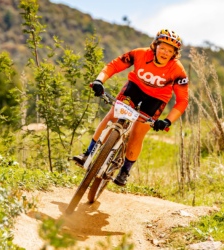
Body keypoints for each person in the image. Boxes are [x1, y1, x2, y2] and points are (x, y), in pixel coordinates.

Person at [72, 29, 189, 186]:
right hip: (134, 88)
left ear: (174, 54)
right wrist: (99, 81)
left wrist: (167, 121)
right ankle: (88, 154)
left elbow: (182, 100)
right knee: (112, 116)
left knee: (137, 134)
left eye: (170, 50)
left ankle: (125, 171)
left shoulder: (178, 70)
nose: (165, 52)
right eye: (162, 48)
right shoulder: (139, 54)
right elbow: (113, 66)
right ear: (155, 46)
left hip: (157, 98)